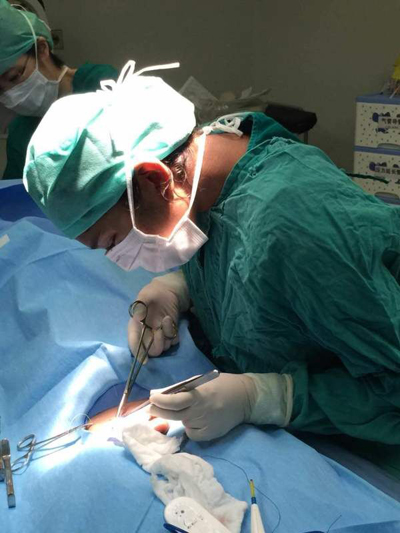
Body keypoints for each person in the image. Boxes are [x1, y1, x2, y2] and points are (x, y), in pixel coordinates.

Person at [22, 60, 400, 479]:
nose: (121, 259)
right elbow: (239, 251)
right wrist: (180, 287)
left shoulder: (295, 227)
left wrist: (265, 397)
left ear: (153, 179)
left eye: (112, 241)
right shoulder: (208, 160)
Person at [0, 0, 118, 179]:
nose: (11, 94)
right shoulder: (20, 133)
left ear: (41, 49)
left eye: (14, 77)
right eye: (0, 90)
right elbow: (15, 191)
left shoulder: (101, 84)